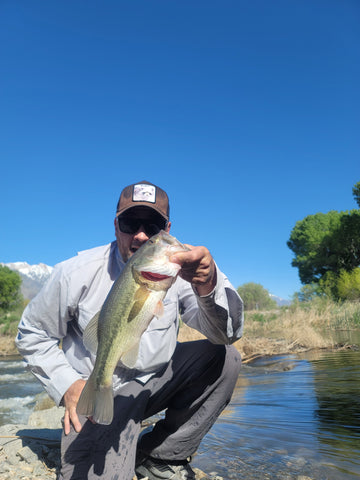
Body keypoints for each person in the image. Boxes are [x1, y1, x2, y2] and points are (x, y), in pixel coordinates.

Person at [16, 180, 244, 480]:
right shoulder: (74, 272)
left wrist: (208, 282)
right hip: (100, 389)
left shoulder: (181, 266)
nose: (140, 235)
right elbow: (32, 333)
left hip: (157, 383)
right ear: (115, 225)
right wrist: (67, 385)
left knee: (225, 357)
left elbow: (227, 333)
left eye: (153, 227)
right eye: (130, 222)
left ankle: (159, 455)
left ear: (167, 229)